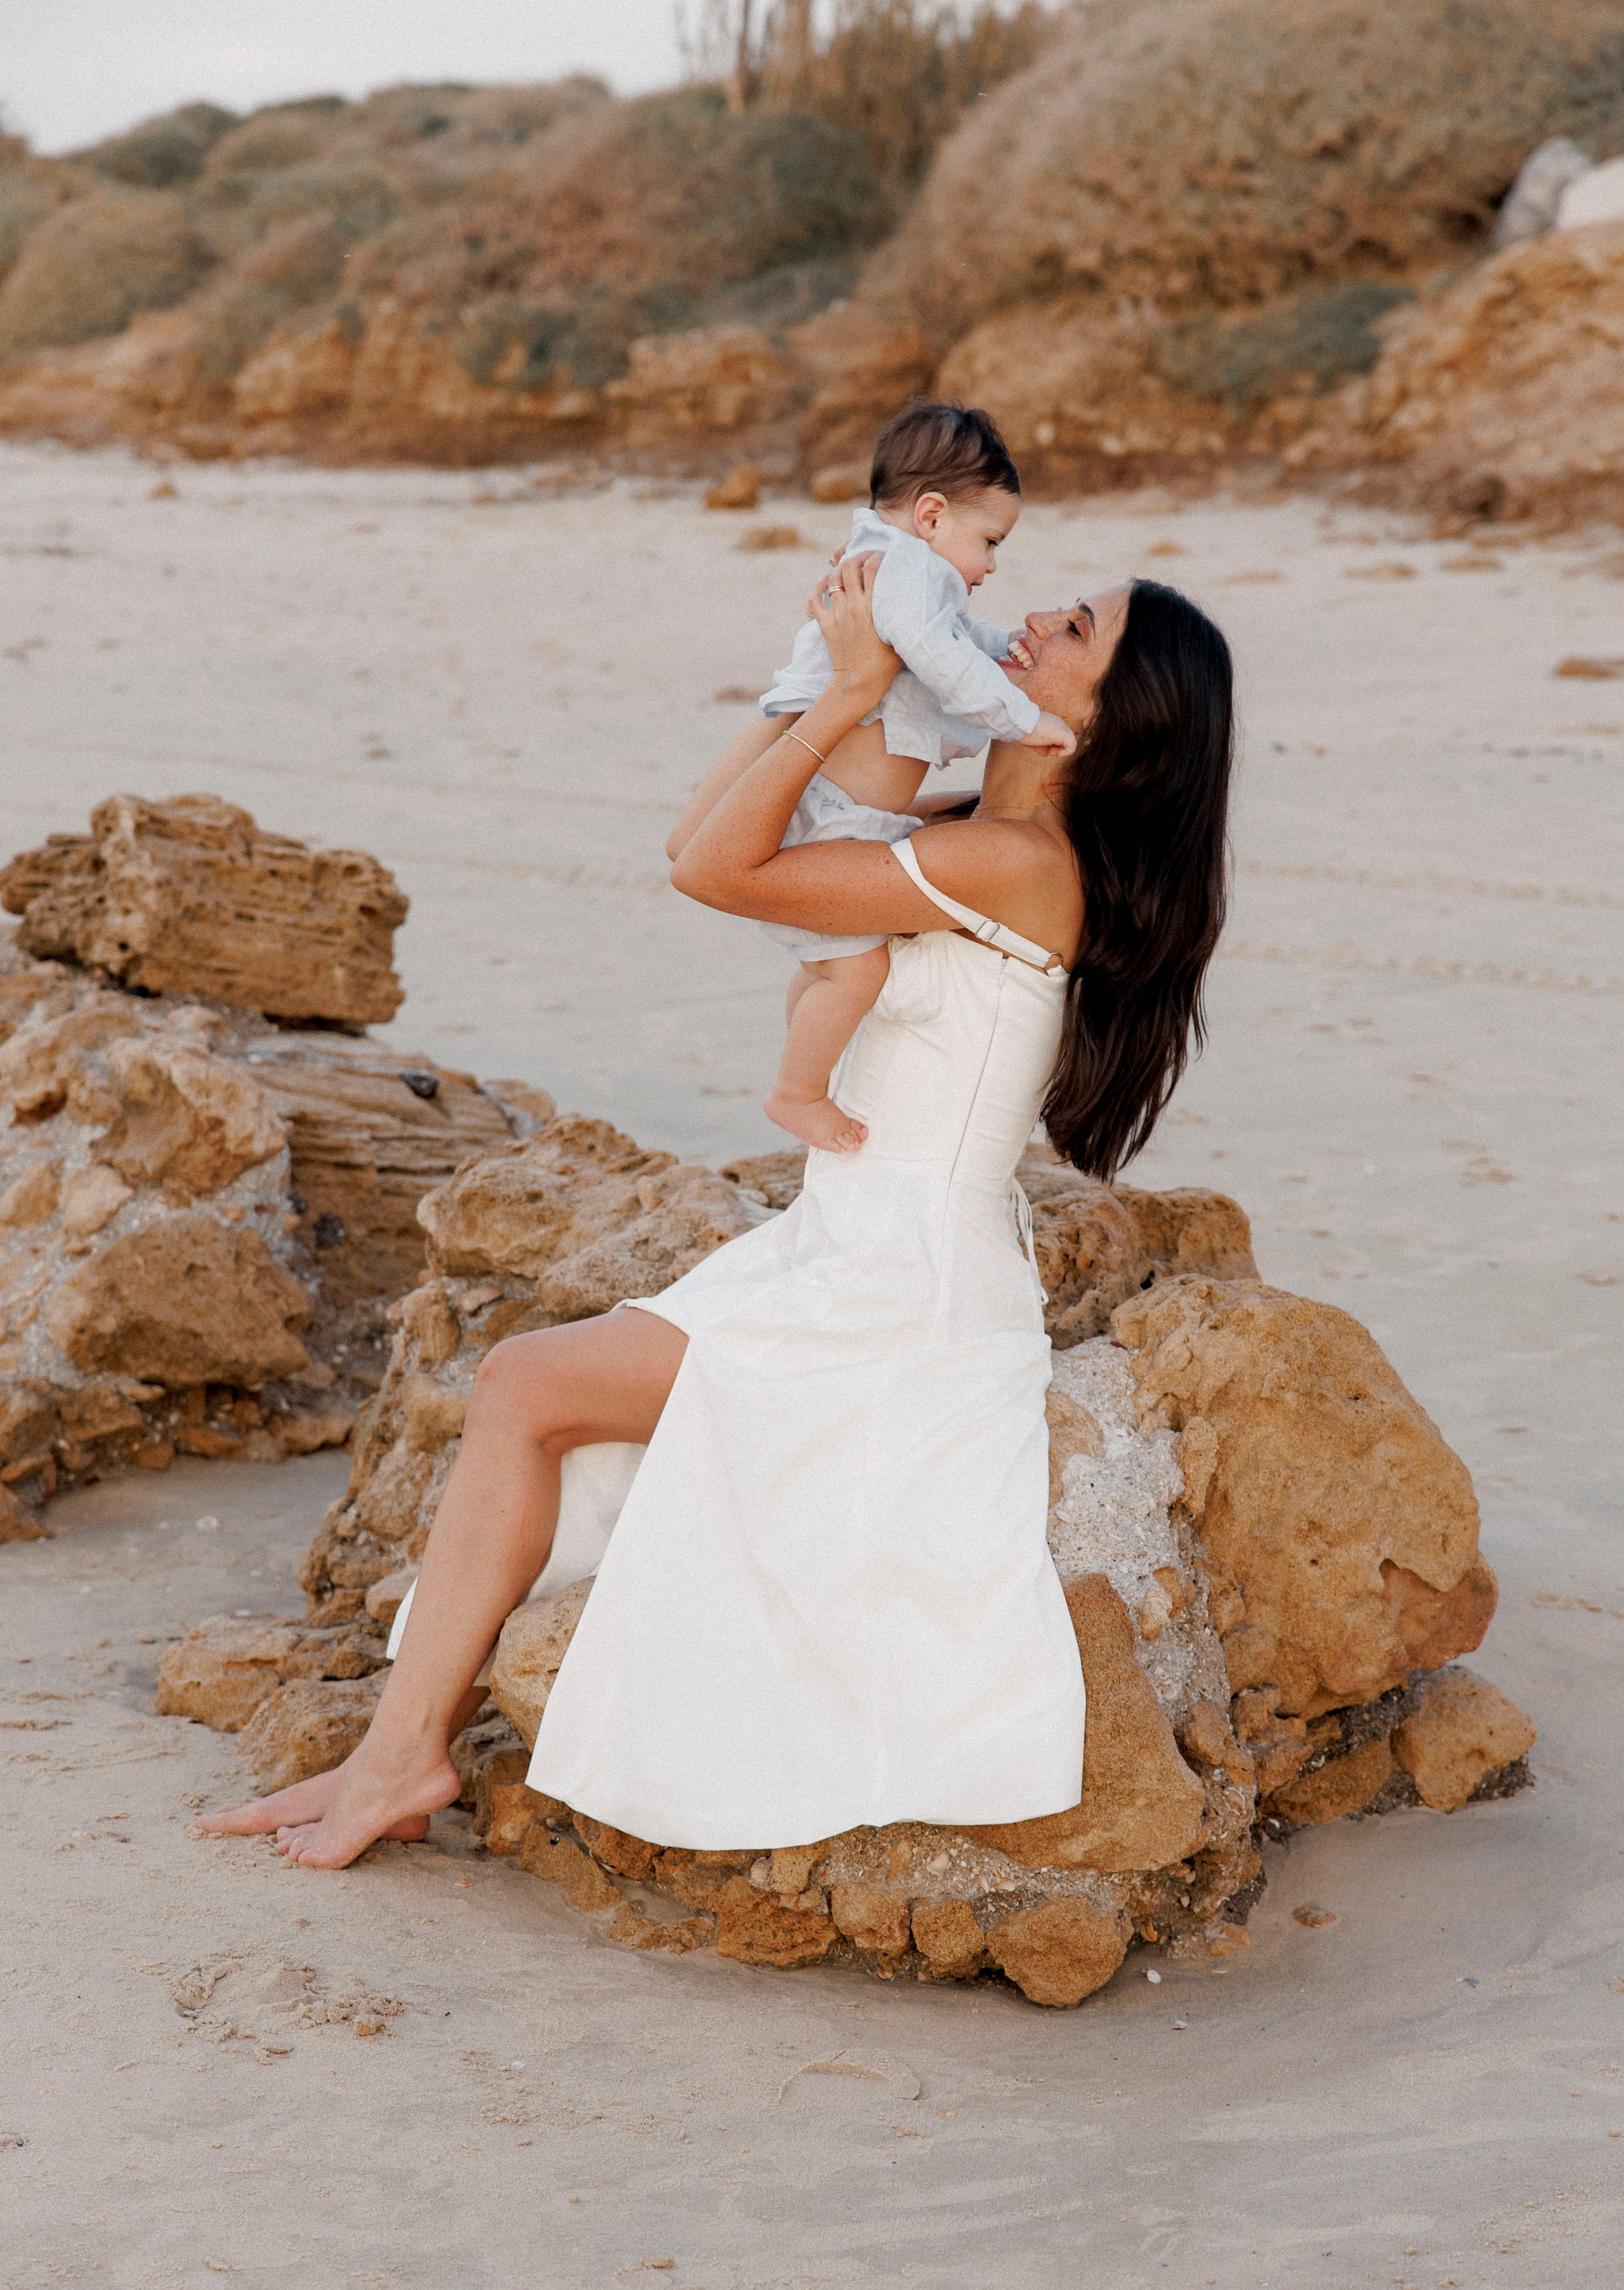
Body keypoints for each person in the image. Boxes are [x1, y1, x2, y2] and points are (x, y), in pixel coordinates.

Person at [201, 553, 1233, 1869]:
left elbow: (719, 878)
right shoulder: (969, 820)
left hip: (892, 1294)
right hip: (830, 1245)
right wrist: (814, 686)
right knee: (542, 1406)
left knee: (524, 1386)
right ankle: (397, 1750)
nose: (1028, 618)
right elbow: (696, 841)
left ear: (1110, 717)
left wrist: (854, 684)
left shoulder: (1013, 861)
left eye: (1074, 626)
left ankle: (402, 1759)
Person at [750, 401, 1077, 1156]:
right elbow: (940, 657)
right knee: (855, 972)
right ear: (931, 516)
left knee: (835, 966)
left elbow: (964, 642)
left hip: (845, 805)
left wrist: (1010, 656)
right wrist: (1023, 720)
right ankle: (795, 1092)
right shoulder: (904, 573)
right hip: (836, 813)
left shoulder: (905, 573)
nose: (991, 566)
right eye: (989, 542)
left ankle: (803, 1047)